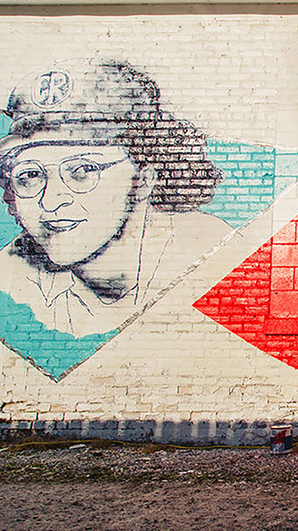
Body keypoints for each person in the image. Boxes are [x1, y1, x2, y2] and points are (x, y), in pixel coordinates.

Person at [0, 59, 231, 339]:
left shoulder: (217, 256)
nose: (50, 202)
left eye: (82, 170)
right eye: (29, 176)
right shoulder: (12, 275)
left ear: (143, 180)